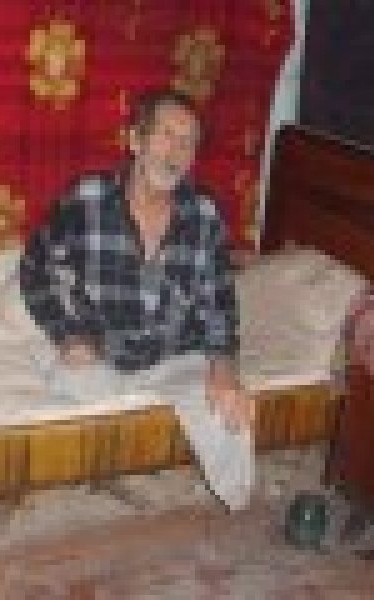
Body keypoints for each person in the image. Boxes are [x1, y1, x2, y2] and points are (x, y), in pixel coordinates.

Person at [19, 89, 253, 432]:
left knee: (231, 413)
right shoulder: (86, 199)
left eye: (188, 142)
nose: (176, 151)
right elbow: (35, 270)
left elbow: (219, 304)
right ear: (135, 141)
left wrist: (224, 371)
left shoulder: (204, 213)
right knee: (75, 419)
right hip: (101, 359)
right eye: (166, 135)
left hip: (177, 359)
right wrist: (66, 335)